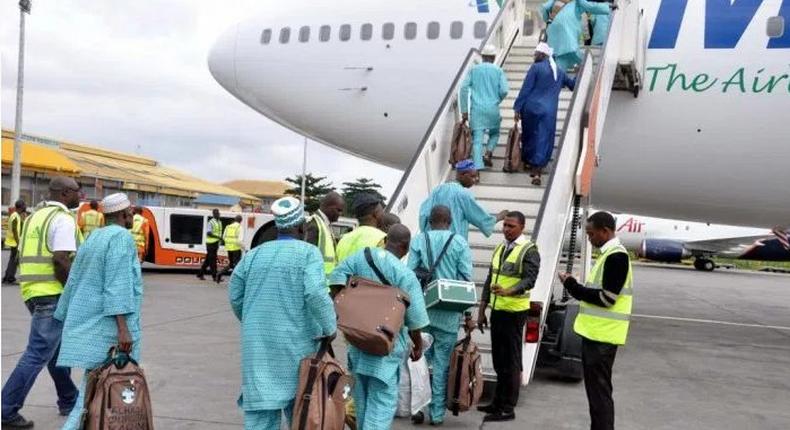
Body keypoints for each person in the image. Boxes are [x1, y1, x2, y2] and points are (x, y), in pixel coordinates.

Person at [229, 197, 336, 429]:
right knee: (301, 410)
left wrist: (250, 320)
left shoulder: (253, 255)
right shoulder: (308, 253)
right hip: (297, 346)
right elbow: (316, 294)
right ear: (301, 227)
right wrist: (330, 327)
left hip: (258, 346)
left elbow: (235, 295)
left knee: (260, 413)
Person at [54, 193, 143, 430]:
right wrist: (123, 330)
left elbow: (74, 279)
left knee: (92, 392)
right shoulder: (122, 237)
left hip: (90, 328)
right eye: (131, 212)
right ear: (124, 214)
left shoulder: (93, 237)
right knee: (102, 398)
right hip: (111, 333)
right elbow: (117, 284)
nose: (132, 215)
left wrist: (62, 315)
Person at [329, 224, 430, 430]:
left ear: (385, 240)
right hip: (385, 348)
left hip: (357, 343)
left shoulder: (361, 256)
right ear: (406, 247)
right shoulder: (406, 275)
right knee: (382, 402)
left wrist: (346, 309)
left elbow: (336, 278)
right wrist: (418, 346)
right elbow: (415, 320)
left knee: (362, 399)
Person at [1, 177, 82, 429]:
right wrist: (74, 290)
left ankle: (69, 399)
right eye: (78, 192)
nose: (81, 197)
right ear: (67, 192)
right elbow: (60, 260)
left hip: (32, 292)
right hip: (52, 293)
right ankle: (6, 410)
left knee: (54, 351)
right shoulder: (63, 218)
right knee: (37, 353)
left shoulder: (35, 216)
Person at [558, 211, 633, 430]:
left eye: (591, 234)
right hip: (597, 335)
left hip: (603, 338)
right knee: (597, 394)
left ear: (605, 231)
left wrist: (572, 285)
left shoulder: (616, 257)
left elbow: (607, 299)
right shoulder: (608, 255)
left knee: (599, 394)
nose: (589, 238)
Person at [406, 205, 473, 426]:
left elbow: (410, 275)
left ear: (429, 220)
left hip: (422, 311)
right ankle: (436, 414)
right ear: (450, 220)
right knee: (443, 363)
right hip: (449, 313)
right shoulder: (460, 242)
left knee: (418, 360)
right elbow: (465, 279)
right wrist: (468, 314)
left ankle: (418, 409)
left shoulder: (418, 240)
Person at [476, 211, 540, 422]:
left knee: (511, 361)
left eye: (511, 226)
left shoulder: (528, 250)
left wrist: (509, 291)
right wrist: (482, 308)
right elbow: (490, 278)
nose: (506, 229)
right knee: (499, 359)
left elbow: (529, 280)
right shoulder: (501, 247)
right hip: (498, 310)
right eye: (504, 225)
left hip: (514, 312)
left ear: (522, 227)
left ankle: (508, 408)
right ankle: (497, 402)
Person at [514, 42, 576, 185]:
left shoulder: (535, 68)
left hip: (530, 108)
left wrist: (517, 108)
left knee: (529, 134)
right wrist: (579, 73)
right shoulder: (559, 72)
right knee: (543, 138)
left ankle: (528, 162)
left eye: (536, 53)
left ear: (543, 55)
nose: (534, 56)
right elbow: (573, 85)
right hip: (548, 111)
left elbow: (526, 89)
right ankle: (537, 171)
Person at [418, 159, 508, 240]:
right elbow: (481, 218)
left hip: (431, 242)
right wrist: (500, 216)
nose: (475, 179)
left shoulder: (438, 189)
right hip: (453, 245)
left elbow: (423, 215)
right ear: (463, 175)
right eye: (473, 176)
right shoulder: (463, 194)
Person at [460, 44, 510, 169]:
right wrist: (497, 100)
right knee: (495, 133)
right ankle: (488, 153)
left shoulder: (474, 70)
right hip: (493, 109)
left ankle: (476, 169)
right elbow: (504, 91)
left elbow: (463, 88)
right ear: (493, 57)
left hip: (477, 110)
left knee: (477, 140)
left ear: (482, 57)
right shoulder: (498, 71)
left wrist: (464, 110)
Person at [541, 0, 611, 71]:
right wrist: (609, 8)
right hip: (567, 31)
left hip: (553, 29)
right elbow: (591, 7)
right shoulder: (578, 2)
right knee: (572, 55)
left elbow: (544, 7)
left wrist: (548, 20)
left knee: (561, 57)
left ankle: (562, 74)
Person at [335, 193, 387, 263]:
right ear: (375, 213)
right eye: (382, 211)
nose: (383, 214)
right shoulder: (382, 238)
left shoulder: (343, 240)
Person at [304, 191, 345, 277]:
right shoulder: (314, 225)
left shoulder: (325, 225)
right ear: (328, 207)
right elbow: (307, 258)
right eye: (338, 210)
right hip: (316, 282)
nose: (340, 214)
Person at [3, 199, 27, 285]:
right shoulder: (15, 216)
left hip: (13, 242)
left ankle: (7, 276)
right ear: (20, 207)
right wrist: (18, 242)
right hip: (14, 242)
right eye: (24, 206)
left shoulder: (15, 215)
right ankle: (10, 278)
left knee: (13, 260)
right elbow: (15, 230)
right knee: (14, 261)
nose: (25, 207)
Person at [216, 214, 244, 284]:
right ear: (241, 221)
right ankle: (236, 281)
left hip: (228, 248)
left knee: (231, 264)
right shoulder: (239, 227)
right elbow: (240, 240)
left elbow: (224, 237)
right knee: (237, 265)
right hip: (236, 248)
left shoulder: (228, 227)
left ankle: (220, 273)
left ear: (235, 219)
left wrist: (229, 243)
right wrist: (244, 248)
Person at [198, 208, 223, 281]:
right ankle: (215, 276)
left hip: (216, 243)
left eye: (218, 213)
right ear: (214, 214)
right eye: (217, 213)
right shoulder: (211, 222)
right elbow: (208, 233)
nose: (219, 214)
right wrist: (219, 237)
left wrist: (219, 240)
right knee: (213, 260)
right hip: (210, 243)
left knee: (208, 260)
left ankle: (200, 274)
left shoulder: (219, 222)